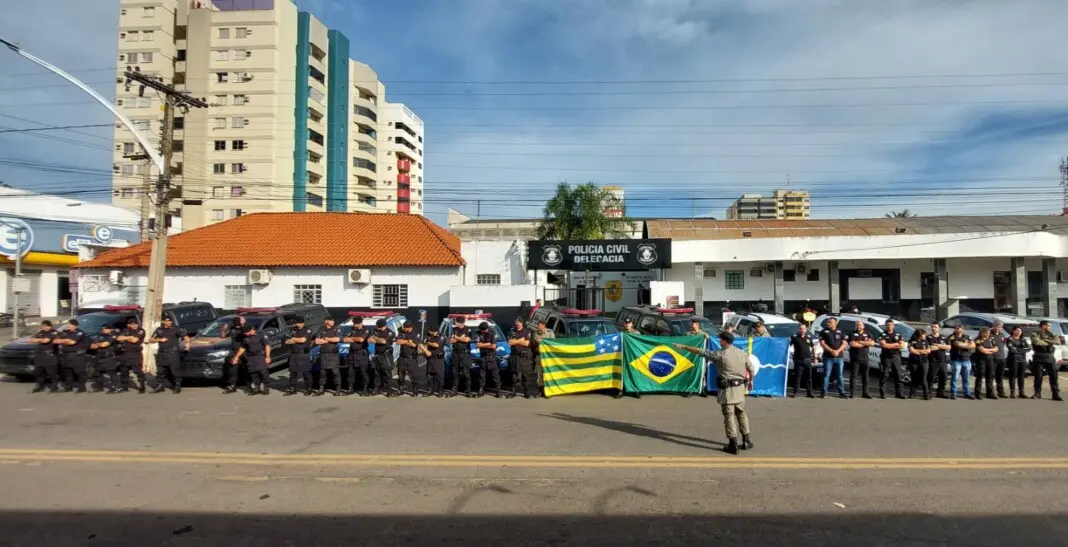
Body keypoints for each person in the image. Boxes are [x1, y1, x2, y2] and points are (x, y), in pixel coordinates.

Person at [674, 332, 756, 455]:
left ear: (724, 341)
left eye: (720, 339)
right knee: (742, 415)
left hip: (728, 391)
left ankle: (733, 444)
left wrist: (685, 347)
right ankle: (746, 440)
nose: (719, 341)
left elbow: (702, 352)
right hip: (739, 390)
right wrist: (750, 381)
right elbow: (751, 369)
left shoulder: (720, 354)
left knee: (729, 417)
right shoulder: (742, 353)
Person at [150, 316, 189, 394]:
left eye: (170, 321)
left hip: (173, 353)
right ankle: (160, 386)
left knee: (175, 370)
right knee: (160, 370)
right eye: (167, 321)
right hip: (161, 353)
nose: (169, 322)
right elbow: (151, 339)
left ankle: (177, 386)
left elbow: (186, 337)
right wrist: (160, 339)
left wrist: (187, 345)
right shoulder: (159, 330)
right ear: (163, 322)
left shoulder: (176, 329)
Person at [1029, 320, 1063, 401]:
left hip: (1050, 357)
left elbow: (1058, 342)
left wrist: (1046, 340)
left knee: (1054, 376)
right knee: (1038, 376)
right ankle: (1037, 393)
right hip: (1039, 357)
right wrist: (1050, 342)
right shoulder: (1034, 334)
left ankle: (1055, 394)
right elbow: (1037, 342)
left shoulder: (1052, 334)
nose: (1050, 327)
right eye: (1049, 326)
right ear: (1043, 326)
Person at [232, 324, 271, 395]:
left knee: (263, 372)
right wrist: (236, 357)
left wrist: (267, 357)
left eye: (246, 333)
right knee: (254, 373)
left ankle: (266, 387)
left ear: (251, 330)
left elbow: (267, 346)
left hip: (260, 356)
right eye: (244, 333)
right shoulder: (245, 337)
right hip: (250, 357)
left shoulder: (260, 334)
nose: (245, 334)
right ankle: (257, 387)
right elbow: (243, 348)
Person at [283, 316, 314, 396]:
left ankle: (308, 389)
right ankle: (292, 389)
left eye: (300, 323)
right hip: (294, 354)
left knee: (306, 373)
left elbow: (303, 340)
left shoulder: (308, 329)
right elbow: (285, 341)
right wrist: (296, 340)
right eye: (297, 323)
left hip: (304, 354)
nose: (298, 324)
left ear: (303, 322)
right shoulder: (292, 330)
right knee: (293, 373)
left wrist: (293, 339)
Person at [818, 317, 847, 399]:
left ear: (835, 323)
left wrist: (838, 351)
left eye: (830, 322)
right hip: (828, 357)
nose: (828, 323)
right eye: (828, 322)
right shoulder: (823, 331)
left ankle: (842, 392)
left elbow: (844, 343)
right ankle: (824, 392)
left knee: (840, 375)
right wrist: (832, 351)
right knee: (826, 374)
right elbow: (822, 343)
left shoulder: (841, 331)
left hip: (839, 357)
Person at [115, 317, 146, 394]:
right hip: (125, 353)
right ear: (128, 325)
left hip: (135, 354)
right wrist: (129, 337)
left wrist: (125, 338)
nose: (135, 325)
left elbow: (134, 340)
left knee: (137, 371)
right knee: (124, 371)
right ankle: (124, 386)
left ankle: (142, 386)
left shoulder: (140, 330)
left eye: (135, 324)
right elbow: (118, 338)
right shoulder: (126, 330)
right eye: (132, 324)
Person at [877, 319, 906, 399]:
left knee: (898, 375)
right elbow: (884, 345)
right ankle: (882, 393)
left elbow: (902, 346)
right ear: (885, 326)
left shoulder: (898, 334)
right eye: (887, 325)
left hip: (896, 356)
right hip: (886, 357)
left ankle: (899, 393)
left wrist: (889, 345)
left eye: (891, 325)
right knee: (885, 374)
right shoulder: (883, 334)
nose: (889, 326)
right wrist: (896, 344)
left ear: (893, 325)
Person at [27, 320, 59, 393]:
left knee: (51, 373)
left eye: (45, 326)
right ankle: (39, 385)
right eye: (43, 326)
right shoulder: (40, 333)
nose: (44, 327)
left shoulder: (54, 332)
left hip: (50, 356)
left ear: (50, 326)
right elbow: (30, 340)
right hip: (40, 355)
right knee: (38, 372)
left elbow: (46, 341)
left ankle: (54, 386)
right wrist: (39, 339)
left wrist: (37, 340)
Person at [314, 317, 343, 396]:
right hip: (324, 354)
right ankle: (321, 388)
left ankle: (338, 389)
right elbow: (317, 341)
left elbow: (337, 339)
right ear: (326, 321)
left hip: (333, 354)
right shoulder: (321, 329)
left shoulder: (336, 329)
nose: (333, 321)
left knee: (335, 372)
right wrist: (329, 340)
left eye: (333, 320)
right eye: (331, 320)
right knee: (323, 372)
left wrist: (326, 338)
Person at [343, 316, 372, 395]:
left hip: (361, 353)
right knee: (350, 372)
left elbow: (361, 339)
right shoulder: (352, 329)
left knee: (364, 372)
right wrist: (355, 338)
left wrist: (352, 338)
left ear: (360, 323)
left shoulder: (366, 330)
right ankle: (350, 388)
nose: (354, 325)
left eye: (355, 324)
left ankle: (365, 388)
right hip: (352, 353)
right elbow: (345, 339)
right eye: (353, 323)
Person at [508, 317, 535, 398]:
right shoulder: (512, 332)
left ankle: (526, 393)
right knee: (514, 376)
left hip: (524, 356)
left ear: (522, 323)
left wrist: (516, 341)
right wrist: (520, 340)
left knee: (525, 376)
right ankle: (513, 392)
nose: (518, 325)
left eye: (519, 323)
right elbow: (510, 342)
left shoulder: (527, 332)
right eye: (517, 323)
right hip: (514, 356)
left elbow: (527, 343)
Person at [370, 319, 398, 397]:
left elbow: (384, 342)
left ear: (383, 326)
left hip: (386, 356)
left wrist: (375, 339)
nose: (377, 328)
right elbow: (370, 339)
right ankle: (376, 389)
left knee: (387, 373)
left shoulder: (389, 332)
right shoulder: (375, 330)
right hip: (377, 355)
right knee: (377, 373)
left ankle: (389, 390)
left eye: (378, 326)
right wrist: (378, 339)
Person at [89, 324, 121, 394]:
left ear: (111, 329)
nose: (104, 330)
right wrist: (98, 344)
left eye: (106, 329)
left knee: (111, 372)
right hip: (99, 356)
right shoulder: (100, 336)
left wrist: (98, 344)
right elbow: (92, 346)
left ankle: (116, 387)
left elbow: (104, 345)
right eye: (103, 329)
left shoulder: (113, 336)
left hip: (109, 356)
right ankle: (99, 386)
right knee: (98, 372)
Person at [396, 321, 425, 397]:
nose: (403, 329)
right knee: (401, 374)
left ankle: (415, 390)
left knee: (414, 375)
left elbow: (414, 345)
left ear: (409, 328)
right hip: (402, 357)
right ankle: (400, 389)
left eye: (405, 327)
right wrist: (408, 341)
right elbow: (398, 342)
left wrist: (404, 341)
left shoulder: (415, 334)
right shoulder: (401, 332)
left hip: (411, 358)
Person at [848, 321, 876, 399]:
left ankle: (865, 393)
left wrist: (859, 342)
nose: (858, 327)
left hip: (865, 359)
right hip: (855, 359)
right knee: (853, 376)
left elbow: (872, 343)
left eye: (860, 325)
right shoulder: (852, 333)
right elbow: (852, 344)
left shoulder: (868, 333)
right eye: (857, 325)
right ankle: (852, 393)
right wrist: (865, 343)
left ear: (863, 326)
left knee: (865, 376)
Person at [946, 324, 974, 400]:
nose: (957, 329)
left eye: (959, 328)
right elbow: (958, 344)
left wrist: (965, 345)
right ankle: (953, 393)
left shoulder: (967, 336)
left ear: (962, 329)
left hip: (966, 360)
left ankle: (967, 393)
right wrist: (967, 345)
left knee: (966, 378)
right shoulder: (951, 337)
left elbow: (973, 345)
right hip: (956, 360)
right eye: (956, 328)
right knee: (955, 377)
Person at [788, 323, 816, 398]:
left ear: (806, 330)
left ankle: (809, 392)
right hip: (798, 360)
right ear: (799, 329)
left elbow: (813, 348)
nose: (802, 330)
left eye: (803, 329)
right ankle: (795, 392)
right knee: (797, 377)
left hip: (808, 360)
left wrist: (815, 358)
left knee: (809, 377)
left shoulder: (809, 338)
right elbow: (787, 346)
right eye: (801, 329)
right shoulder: (794, 337)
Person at [448, 316, 473, 397]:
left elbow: (467, 340)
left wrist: (456, 337)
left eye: (456, 322)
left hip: (465, 354)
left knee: (466, 373)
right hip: (456, 353)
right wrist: (460, 338)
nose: (455, 323)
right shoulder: (454, 329)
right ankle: (454, 390)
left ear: (460, 322)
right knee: (455, 373)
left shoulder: (467, 329)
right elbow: (451, 340)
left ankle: (468, 391)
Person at [476, 321, 502, 398]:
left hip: (491, 356)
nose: (481, 332)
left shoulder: (492, 333)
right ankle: (481, 390)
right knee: (482, 374)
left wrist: (483, 345)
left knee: (495, 374)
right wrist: (488, 344)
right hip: (483, 356)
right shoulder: (478, 333)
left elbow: (493, 346)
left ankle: (498, 390)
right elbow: (477, 345)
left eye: (482, 330)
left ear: (485, 329)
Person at [221, 316, 246, 394]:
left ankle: (248, 383)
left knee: (246, 367)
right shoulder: (232, 328)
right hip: (233, 350)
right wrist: (223, 329)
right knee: (233, 368)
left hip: (243, 350)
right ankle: (233, 385)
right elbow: (223, 336)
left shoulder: (244, 329)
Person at [973, 327, 998, 400]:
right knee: (980, 376)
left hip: (990, 359)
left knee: (990, 376)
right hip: (981, 360)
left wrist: (989, 350)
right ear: (982, 332)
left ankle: (990, 393)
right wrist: (991, 350)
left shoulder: (991, 339)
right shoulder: (978, 340)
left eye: (989, 332)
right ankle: (978, 393)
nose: (988, 334)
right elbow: (982, 350)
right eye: (986, 332)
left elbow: (996, 349)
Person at [1005, 326, 1031, 399]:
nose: (1019, 332)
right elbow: (1011, 350)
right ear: (1013, 331)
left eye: (1020, 330)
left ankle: (1021, 392)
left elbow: (1028, 348)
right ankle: (1012, 392)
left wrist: (1018, 350)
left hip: (1022, 360)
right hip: (1013, 360)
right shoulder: (1009, 339)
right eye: (1017, 330)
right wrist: (1022, 350)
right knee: (1013, 376)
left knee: (1021, 376)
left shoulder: (1023, 339)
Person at [926, 322, 950, 399]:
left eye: (935, 327)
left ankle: (940, 393)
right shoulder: (928, 337)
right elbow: (930, 348)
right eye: (932, 327)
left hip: (943, 361)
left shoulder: (943, 337)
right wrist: (942, 346)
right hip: (933, 361)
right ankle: (928, 393)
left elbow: (948, 347)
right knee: (931, 378)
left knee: (943, 377)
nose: (933, 328)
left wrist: (937, 345)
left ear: (939, 328)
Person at [907, 329, 932, 400]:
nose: (925, 336)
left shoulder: (926, 341)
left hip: (924, 361)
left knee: (924, 378)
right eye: (923, 334)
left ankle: (926, 395)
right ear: (919, 335)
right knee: (914, 377)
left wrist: (918, 351)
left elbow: (928, 351)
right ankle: (912, 393)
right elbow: (912, 351)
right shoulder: (912, 341)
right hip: (914, 361)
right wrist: (922, 351)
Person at [532, 319, 554, 398]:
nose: (538, 326)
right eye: (538, 325)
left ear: (544, 325)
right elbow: (533, 343)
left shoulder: (550, 333)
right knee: (539, 374)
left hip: (547, 357)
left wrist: (544, 340)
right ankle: (540, 391)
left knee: (547, 374)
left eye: (540, 325)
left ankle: (548, 391)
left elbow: (553, 343)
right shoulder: (536, 333)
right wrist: (536, 341)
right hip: (539, 356)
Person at [423, 325, 447, 397]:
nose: (429, 332)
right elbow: (421, 343)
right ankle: (430, 390)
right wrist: (425, 351)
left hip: (438, 358)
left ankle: (440, 391)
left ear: (434, 331)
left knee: (440, 375)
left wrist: (428, 343)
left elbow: (436, 345)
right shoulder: (428, 335)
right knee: (429, 375)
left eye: (430, 331)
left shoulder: (441, 336)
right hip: (430, 358)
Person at [990, 321, 1009, 398]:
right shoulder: (989, 334)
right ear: (993, 326)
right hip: (992, 358)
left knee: (1000, 377)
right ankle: (991, 392)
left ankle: (1001, 392)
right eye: (996, 326)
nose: (997, 328)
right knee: (991, 376)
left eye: (999, 327)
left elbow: (1003, 344)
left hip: (1001, 358)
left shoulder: (1002, 335)